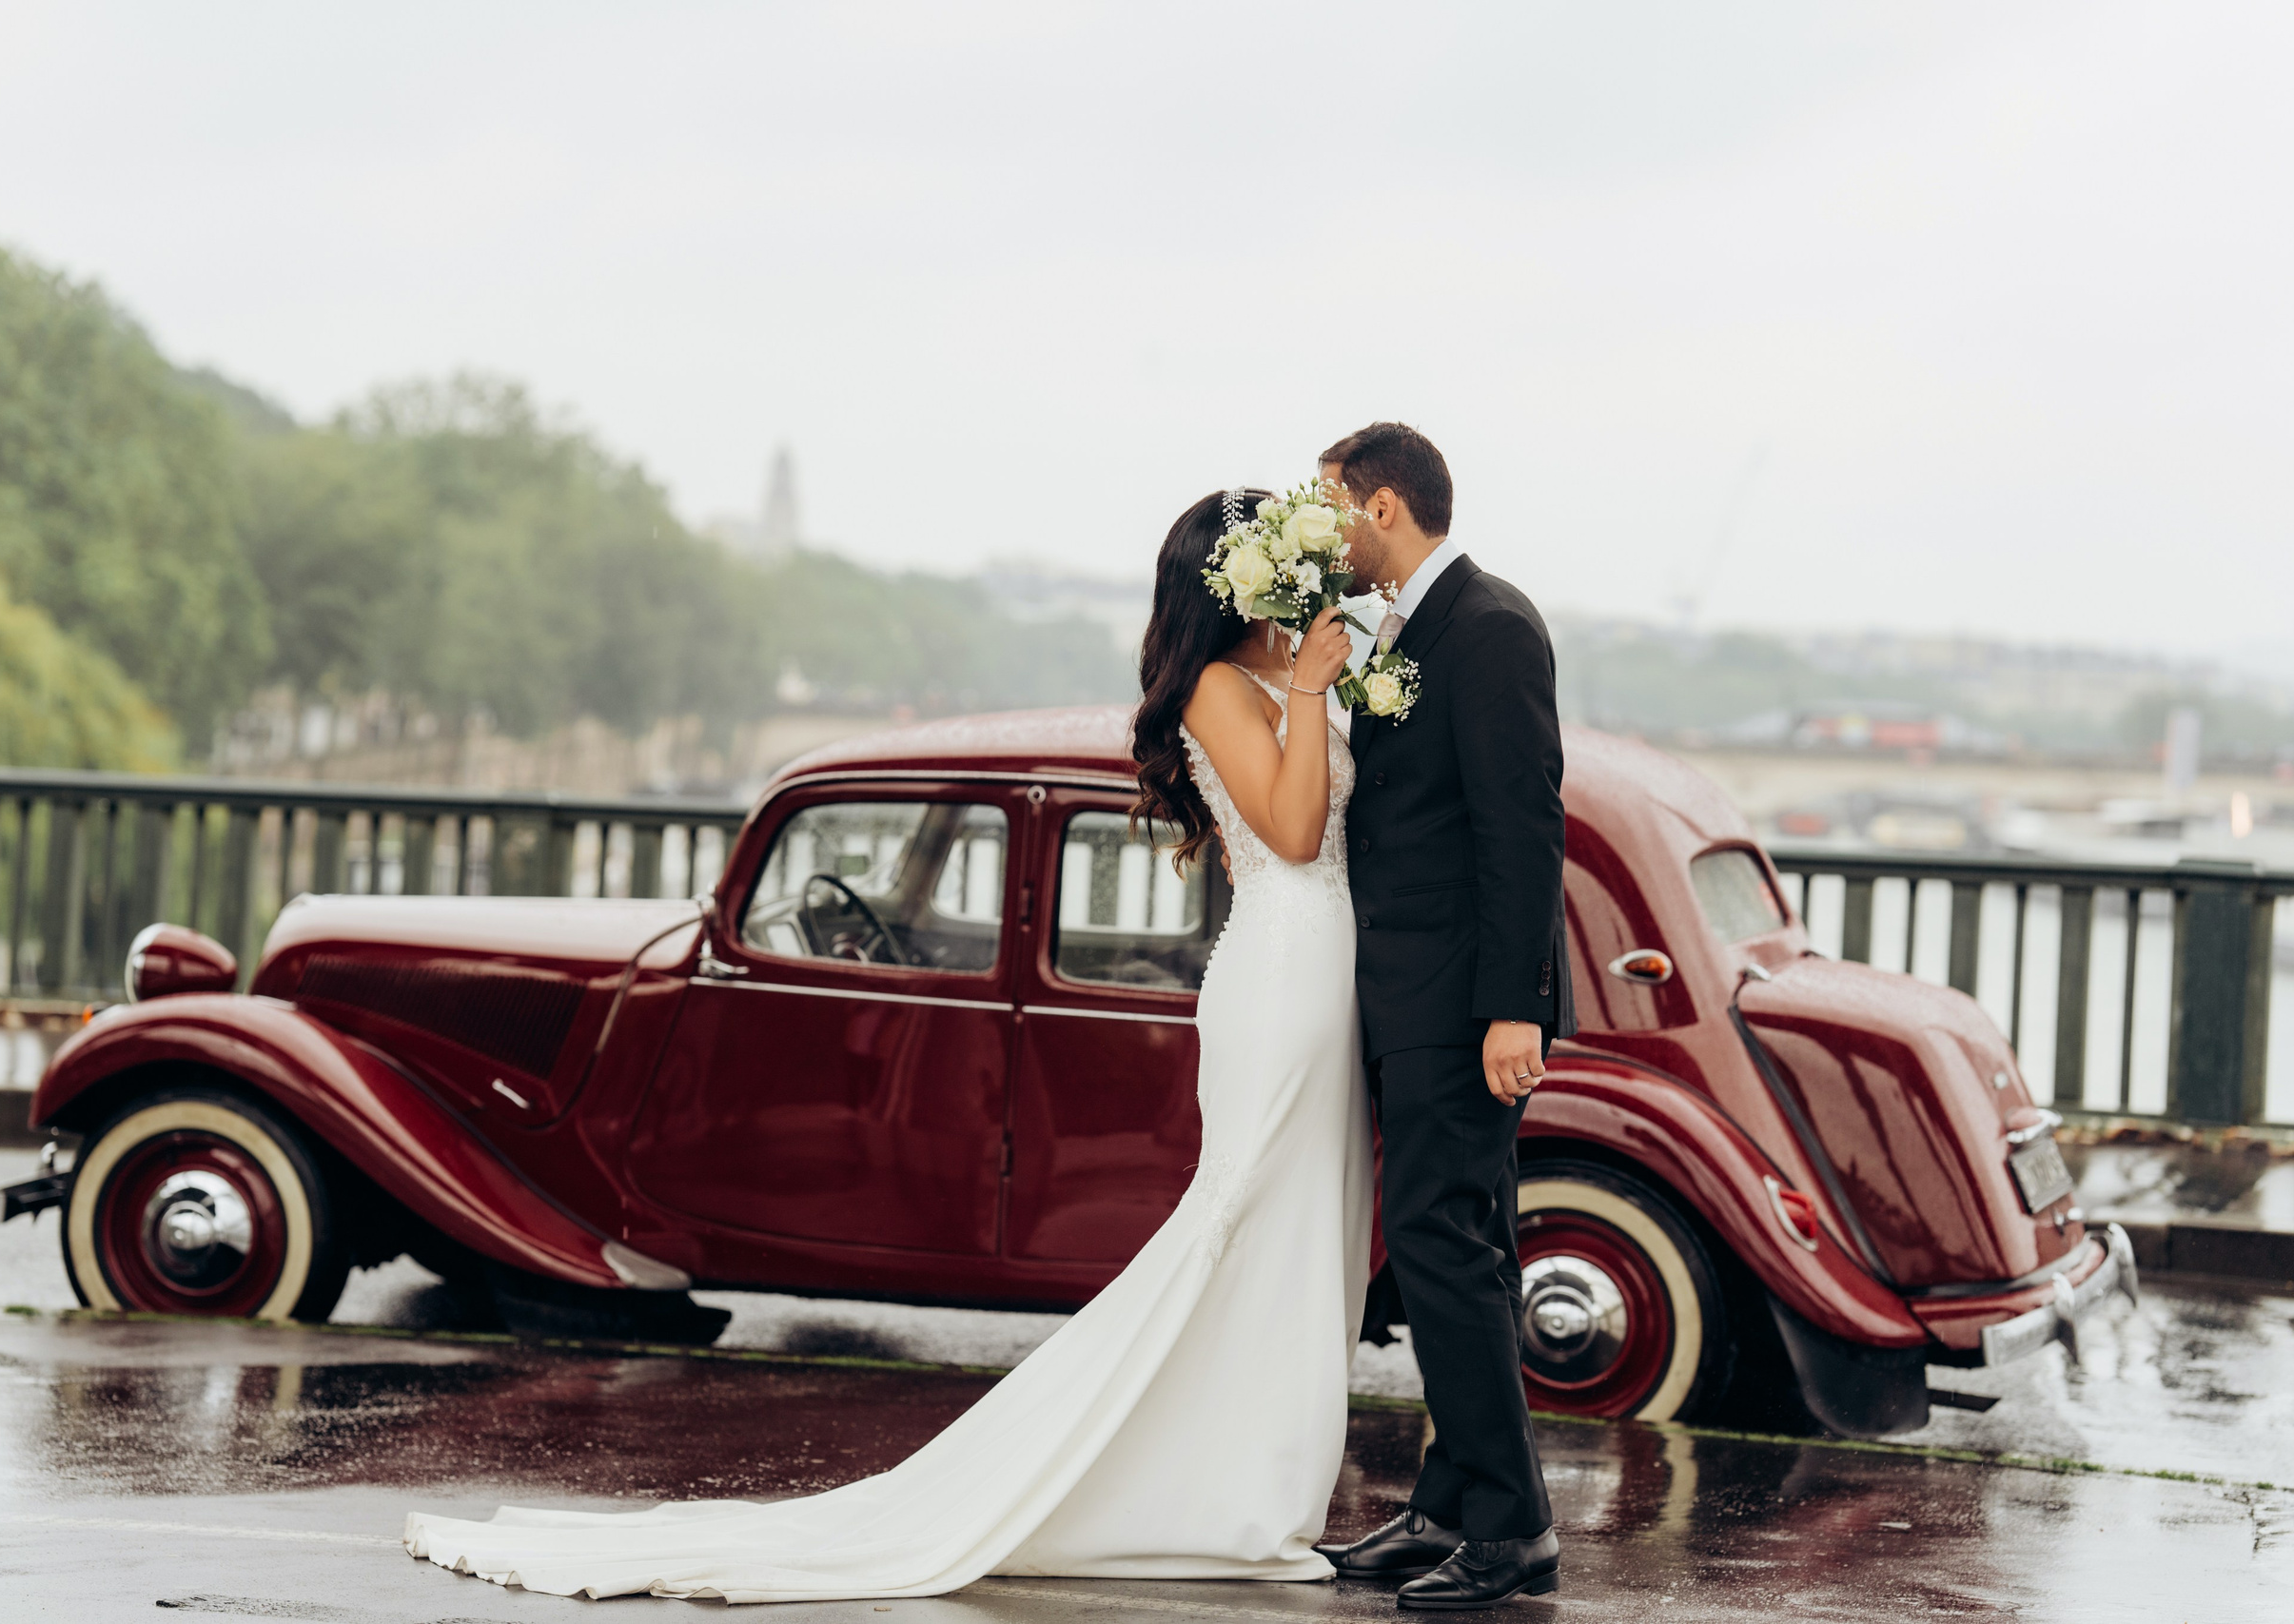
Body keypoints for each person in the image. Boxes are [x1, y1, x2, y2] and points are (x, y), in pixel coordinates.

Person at [401, 486, 1374, 1604]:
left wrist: (1319, 689)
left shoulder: (1278, 681)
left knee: (1309, 1227)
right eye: (1284, 571)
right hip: (1283, 967)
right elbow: (1294, 833)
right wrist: (1310, 688)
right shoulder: (1217, 686)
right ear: (1238, 583)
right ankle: (1221, 1490)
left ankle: (1256, 1480)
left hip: (1326, 970)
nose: (1305, 587)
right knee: (1248, 1215)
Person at [1311, 422, 1573, 1608]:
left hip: (1463, 1004)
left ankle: (1512, 1528)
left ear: (1379, 509)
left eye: (1330, 508)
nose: (1323, 531)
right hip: (1409, 993)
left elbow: (1520, 833)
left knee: (1438, 1248)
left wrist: (1510, 1011)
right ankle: (1448, 1504)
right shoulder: (1407, 629)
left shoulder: (1492, 627)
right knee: (1462, 1246)